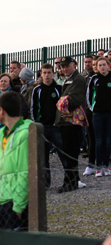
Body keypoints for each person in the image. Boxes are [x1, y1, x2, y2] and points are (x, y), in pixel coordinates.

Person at [0, 91, 32, 230]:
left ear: (1, 110)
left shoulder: (25, 134)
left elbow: (24, 172)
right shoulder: (1, 134)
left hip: (14, 204)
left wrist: (18, 207)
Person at [56, 56, 87, 193]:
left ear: (74, 65)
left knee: (71, 153)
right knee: (69, 153)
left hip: (71, 121)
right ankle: (71, 181)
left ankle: (70, 182)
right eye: (62, 66)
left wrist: (62, 103)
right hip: (65, 121)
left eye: (66, 66)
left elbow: (74, 99)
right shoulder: (68, 79)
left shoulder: (78, 78)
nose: (64, 69)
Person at [30, 63, 65, 188]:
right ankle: (45, 183)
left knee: (62, 153)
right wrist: (37, 124)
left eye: (49, 72)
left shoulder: (59, 88)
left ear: (53, 73)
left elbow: (62, 107)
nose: (47, 75)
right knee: (43, 156)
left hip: (56, 127)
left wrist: (59, 122)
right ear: (41, 74)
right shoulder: (37, 90)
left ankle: (69, 179)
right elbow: (33, 108)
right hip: (42, 127)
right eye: (44, 73)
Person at [87, 57, 111, 177]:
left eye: (104, 65)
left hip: (109, 114)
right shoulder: (94, 79)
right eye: (99, 65)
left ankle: (106, 166)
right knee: (99, 140)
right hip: (97, 114)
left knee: (108, 140)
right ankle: (97, 167)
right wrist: (92, 108)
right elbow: (89, 95)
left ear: (108, 65)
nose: (102, 67)